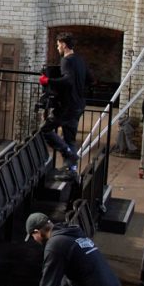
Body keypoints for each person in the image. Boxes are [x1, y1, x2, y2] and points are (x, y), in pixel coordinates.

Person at [39, 32, 90, 181]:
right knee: (70, 138)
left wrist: (47, 81)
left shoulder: (66, 61)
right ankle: (71, 171)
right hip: (79, 105)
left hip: (67, 106)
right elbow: (91, 79)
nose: (57, 47)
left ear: (64, 45)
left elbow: (67, 80)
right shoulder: (80, 60)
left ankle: (68, 154)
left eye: (58, 45)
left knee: (45, 130)